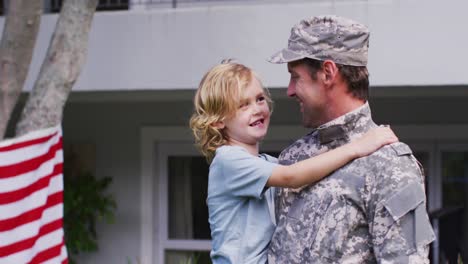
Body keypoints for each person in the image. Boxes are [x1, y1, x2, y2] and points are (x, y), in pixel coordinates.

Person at [189, 60, 398, 264]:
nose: (257, 109)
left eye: (260, 99)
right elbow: (292, 177)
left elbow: (305, 173)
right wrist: (357, 147)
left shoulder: (266, 164)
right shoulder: (228, 160)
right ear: (218, 120)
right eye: (243, 105)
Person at [266, 15, 436, 263]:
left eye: (295, 77)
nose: (289, 90)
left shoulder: (390, 166)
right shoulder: (292, 158)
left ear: (327, 72)